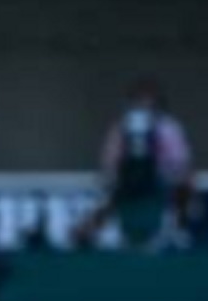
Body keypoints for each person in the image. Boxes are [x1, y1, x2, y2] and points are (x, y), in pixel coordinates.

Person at [75, 77, 195, 249]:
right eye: (139, 101)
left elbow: (180, 159)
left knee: (185, 184)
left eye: (149, 101)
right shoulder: (120, 127)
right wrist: (112, 172)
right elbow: (110, 158)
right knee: (109, 195)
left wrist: (170, 171)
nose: (144, 106)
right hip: (127, 179)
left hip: (159, 179)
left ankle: (179, 228)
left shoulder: (169, 127)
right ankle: (86, 231)